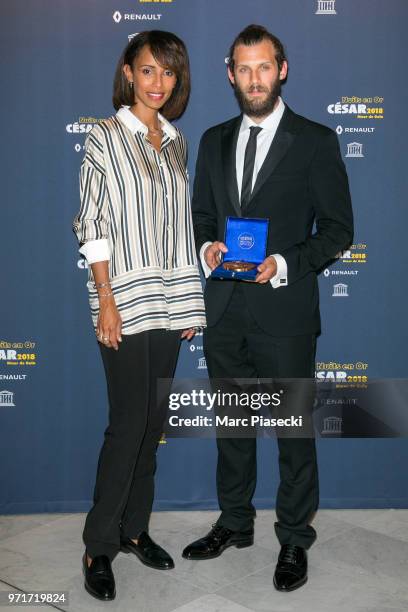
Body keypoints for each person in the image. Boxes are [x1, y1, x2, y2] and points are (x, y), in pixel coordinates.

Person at [183, 24, 353, 592]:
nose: (253, 79)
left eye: (264, 67)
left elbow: (337, 231)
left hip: (285, 314)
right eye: (243, 68)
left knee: (292, 435)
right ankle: (235, 523)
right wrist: (208, 245)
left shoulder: (315, 140)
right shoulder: (210, 140)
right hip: (225, 308)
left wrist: (283, 263)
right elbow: (203, 216)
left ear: (282, 70)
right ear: (229, 74)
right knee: (232, 427)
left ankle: (294, 539)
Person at [73, 30, 206, 601]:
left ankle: (134, 532)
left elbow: (179, 229)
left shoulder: (176, 142)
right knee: (128, 425)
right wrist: (105, 297)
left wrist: (188, 301)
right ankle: (98, 546)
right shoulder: (104, 136)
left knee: (152, 429)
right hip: (123, 301)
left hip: (168, 300)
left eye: (168, 73)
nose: (158, 83)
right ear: (129, 73)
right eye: (148, 71)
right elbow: (91, 220)